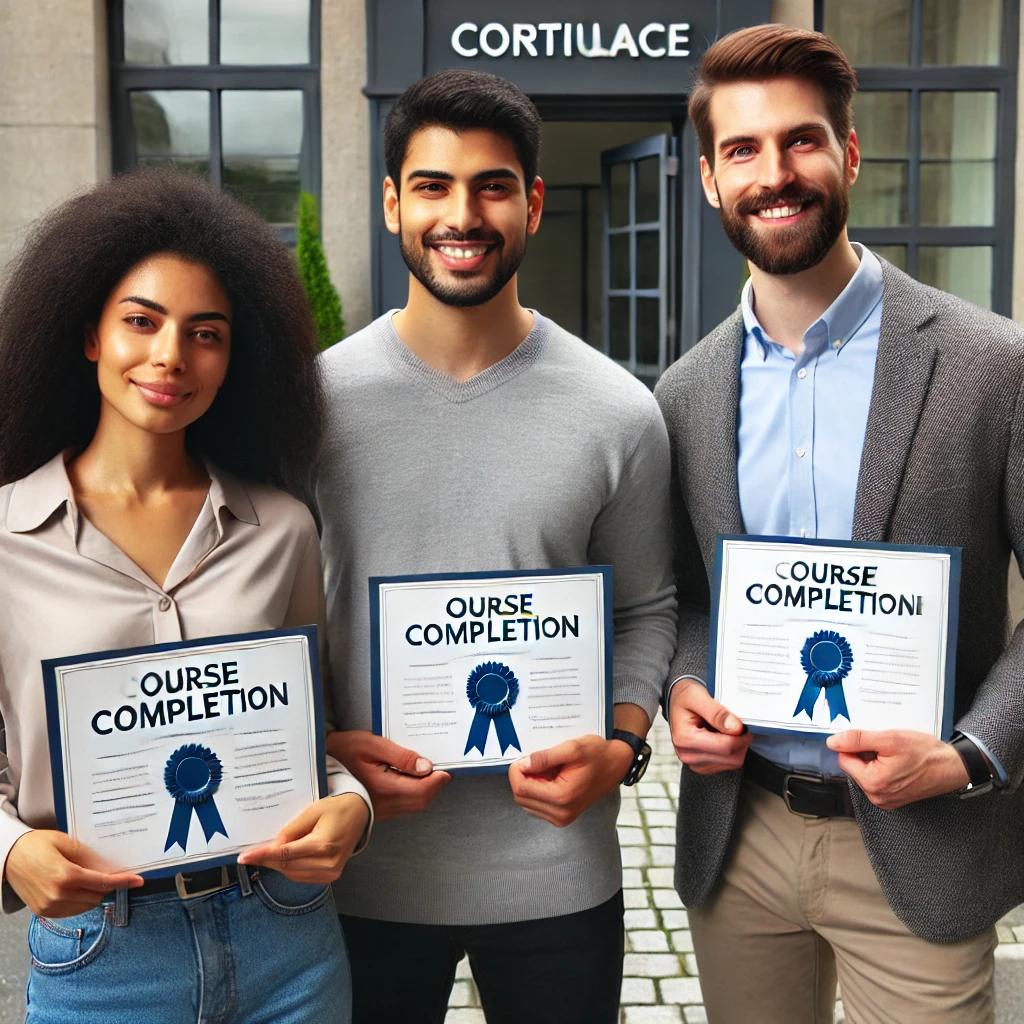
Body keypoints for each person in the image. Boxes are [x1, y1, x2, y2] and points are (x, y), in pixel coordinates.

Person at [655, 23, 1024, 1024]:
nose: (775, 173)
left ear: (848, 153)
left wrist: (970, 753)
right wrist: (685, 682)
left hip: (922, 838)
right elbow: (687, 595)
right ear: (708, 179)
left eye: (800, 140)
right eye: (742, 150)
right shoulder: (685, 394)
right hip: (744, 837)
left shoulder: (991, 365)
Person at [317, 69, 677, 1024]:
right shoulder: (308, 409)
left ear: (533, 203)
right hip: (358, 874)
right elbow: (269, 620)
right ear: (393, 201)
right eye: (433, 185)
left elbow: (648, 606)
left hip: (556, 875)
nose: (461, 214)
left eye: (492, 185)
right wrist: (316, 746)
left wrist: (625, 743)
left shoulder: (617, 412)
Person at [0, 168, 372, 1023]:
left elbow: (312, 733)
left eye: (206, 332)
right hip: (103, 955)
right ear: (88, 333)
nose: (171, 355)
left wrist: (350, 804)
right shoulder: (5, 541)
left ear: (235, 356)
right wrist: (12, 850)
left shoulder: (283, 529)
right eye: (141, 321)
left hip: (288, 938)